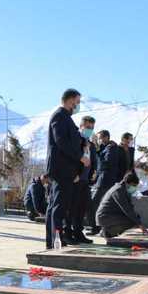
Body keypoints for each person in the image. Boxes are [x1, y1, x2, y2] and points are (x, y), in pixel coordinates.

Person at [44, 89, 89, 248]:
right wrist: (80, 157)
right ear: (70, 101)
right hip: (61, 169)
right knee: (58, 207)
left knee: (58, 205)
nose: (78, 105)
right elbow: (61, 141)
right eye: (77, 102)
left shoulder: (66, 118)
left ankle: (55, 240)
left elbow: (71, 141)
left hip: (67, 169)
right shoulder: (59, 116)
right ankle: (55, 241)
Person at [65, 116, 97, 244]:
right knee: (71, 208)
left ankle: (78, 232)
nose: (90, 130)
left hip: (85, 181)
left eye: (92, 128)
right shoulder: (75, 140)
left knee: (82, 208)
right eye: (87, 127)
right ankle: (67, 233)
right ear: (81, 126)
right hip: (75, 180)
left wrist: (93, 174)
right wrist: (74, 174)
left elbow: (93, 162)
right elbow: (71, 159)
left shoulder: (91, 145)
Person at [87, 130, 121, 235]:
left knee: (94, 203)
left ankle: (95, 227)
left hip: (105, 181)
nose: (99, 140)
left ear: (106, 137)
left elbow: (105, 164)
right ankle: (98, 227)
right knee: (98, 204)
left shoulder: (112, 148)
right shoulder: (105, 147)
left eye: (100, 138)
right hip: (102, 179)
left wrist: (97, 154)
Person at [96, 172, 148, 238]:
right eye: (133, 185)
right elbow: (126, 209)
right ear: (127, 183)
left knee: (136, 218)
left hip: (111, 215)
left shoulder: (124, 189)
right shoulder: (118, 190)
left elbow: (130, 207)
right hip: (104, 217)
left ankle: (110, 231)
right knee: (132, 221)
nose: (134, 188)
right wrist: (140, 224)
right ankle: (108, 231)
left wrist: (138, 219)